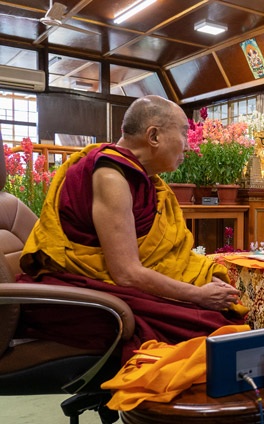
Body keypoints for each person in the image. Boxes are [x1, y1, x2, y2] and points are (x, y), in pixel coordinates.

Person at [18, 95, 244, 359]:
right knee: (214, 333)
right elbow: (126, 273)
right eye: (183, 133)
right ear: (154, 136)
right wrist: (197, 294)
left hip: (112, 284)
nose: (188, 146)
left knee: (222, 316)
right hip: (86, 298)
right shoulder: (111, 176)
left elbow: (163, 254)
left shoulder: (144, 180)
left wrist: (203, 277)